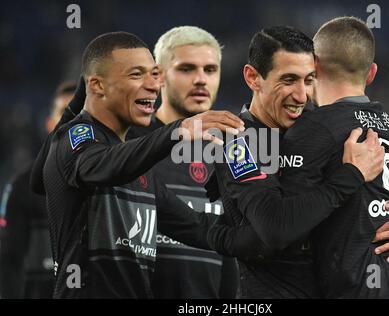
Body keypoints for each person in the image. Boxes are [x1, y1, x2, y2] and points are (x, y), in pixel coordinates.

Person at [206, 25, 389, 298]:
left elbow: (375, 190)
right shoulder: (240, 143)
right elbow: (274, 231)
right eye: (288, 80)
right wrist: (217, 238)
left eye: (309, 79)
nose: (302, 96)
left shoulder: (315, 124)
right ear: (253, 77)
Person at [40, 31, 244, 298]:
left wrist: (265, 229)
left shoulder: (137, 163)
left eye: (153, 75)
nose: (153, 86)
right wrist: (176, 131)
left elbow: (196, 225)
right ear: (98, 86)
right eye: (136, 75)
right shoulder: (76, 136)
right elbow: (99, 166)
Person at [127, 26, 238, 298]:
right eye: (187, 69)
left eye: (210, 70)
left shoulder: (233, 153)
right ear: (159, 75)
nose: (201, 80)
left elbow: (232, 255)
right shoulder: (129, 142)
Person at [0, 82, 75, 298]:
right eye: (64, 112)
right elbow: (9, 261)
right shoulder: (22, 187)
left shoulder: (108, 182)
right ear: (50, 123)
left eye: (80, 112)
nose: (71, 120)